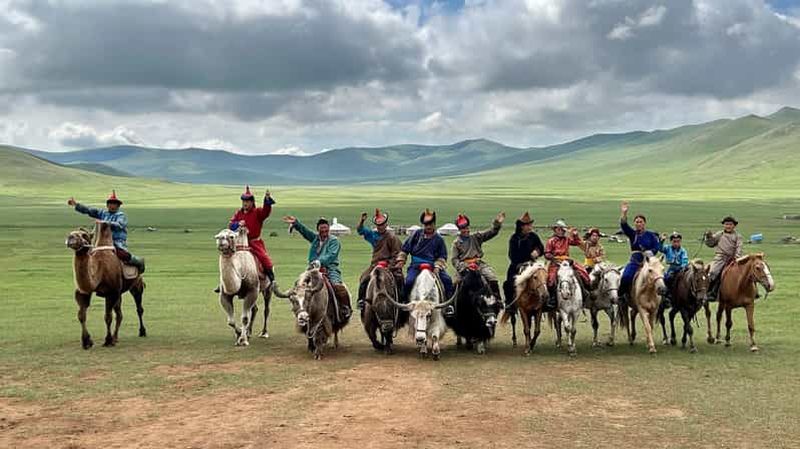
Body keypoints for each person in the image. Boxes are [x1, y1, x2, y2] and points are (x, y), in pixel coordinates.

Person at [282, 215, 351, 321]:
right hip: (313, 270)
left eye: (325, 228)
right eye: (321, 228)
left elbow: (331, 255)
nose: (324, 230)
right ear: (318, 230)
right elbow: (305, 232)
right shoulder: (316, 239)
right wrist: (296, 223)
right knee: (299, 283)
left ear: (328, 229)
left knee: (338, 286)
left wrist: (319, 261)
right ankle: (301, 308)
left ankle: (345, 308)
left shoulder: (334, 241)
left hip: (330, 269)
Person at [68, 190, 145, 272]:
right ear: (107, 205)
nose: (112, 206)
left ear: (118, 206)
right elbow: (89, 210)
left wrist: (106, 223)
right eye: (110, 204)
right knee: (89, 253)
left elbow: (120, 225)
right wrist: (76, 205)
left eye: (115, 204)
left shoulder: (120, 216)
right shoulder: (103, 213)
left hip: (116, 241)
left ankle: (138, 261)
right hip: (101, 241)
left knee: (122, 254)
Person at [396, 209, 455, 304]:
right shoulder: (416, 234)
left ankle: (449, 305)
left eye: (430, 224)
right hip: (416, 266)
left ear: (434, 224)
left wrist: (437, 266)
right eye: (426, 224)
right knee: (409, 282)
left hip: (433, 266)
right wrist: (401, 260)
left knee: (447, 280)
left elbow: (442, 256)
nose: (428, 226)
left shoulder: (439, 239)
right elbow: (405, 249)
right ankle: (405, 303)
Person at [450, 212, 505, 302]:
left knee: (492, 277)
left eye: (467, 228)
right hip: (464, 266)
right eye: (463, 229)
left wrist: (497, 224)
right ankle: (453, 305)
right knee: (455, 283)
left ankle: (497, 300)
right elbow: (454, 259)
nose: (466, 230)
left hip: (478, 264)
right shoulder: (456, 243)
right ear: (459, 230)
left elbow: (491, 233)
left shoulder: (476, 237)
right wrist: (464, 266)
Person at [355, 209, 403, 309]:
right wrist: (362, 220)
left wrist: (390, 266)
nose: (380, 227)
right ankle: (361, 300)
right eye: (378, 225)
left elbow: (397, 254)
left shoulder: (392, 237)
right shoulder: (373, 235)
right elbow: (360, 230)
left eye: (382, 224)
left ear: (386, 224)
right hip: (375, 264)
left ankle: (402, 300)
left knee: (399, 279)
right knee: (364, 278)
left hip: (389, 265)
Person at [228, 186, 276, 282]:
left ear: (252, 202)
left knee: (264, 258)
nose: (245, 203)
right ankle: (226, 282)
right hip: (239, 242)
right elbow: (231, 225)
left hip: (254, 243)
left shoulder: (257, 212)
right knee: (227, 257)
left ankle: (272, 280)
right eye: (243, 201)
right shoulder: (238, 213)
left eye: (247, 201)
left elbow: (265, 212)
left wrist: (267, 200)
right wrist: (238, 224)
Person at [618, 201, 661, 303]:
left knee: (661, 277)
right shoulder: (633, 234)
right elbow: (624, 225)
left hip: (649, 263)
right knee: (626, 277)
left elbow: (656, 247)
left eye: (641, 222)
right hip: (635, 262)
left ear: (644, 223)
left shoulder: (651, 235)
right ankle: (622, 297)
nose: (639, 224)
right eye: (637, 222)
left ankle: (664, 299)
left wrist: (650, 252)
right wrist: (624, 213)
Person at [544, 219, 591, 310]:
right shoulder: (551, 241)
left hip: (567, 261)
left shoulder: (567, 239)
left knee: (582, 272)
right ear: (555, 230)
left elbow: (577, 242)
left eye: (563, 230)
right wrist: (555, 259)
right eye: (559, 230)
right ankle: (552, 299)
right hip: (556, 263)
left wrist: (575, 235)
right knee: (551, 280)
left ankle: (585, 293)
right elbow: (547, 254)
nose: (561, 232)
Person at [504, 211, 545, 307]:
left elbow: (541, 247)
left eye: (530, 225)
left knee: (543, 279)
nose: (530, 227)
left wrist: (537, 251)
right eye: (528, 225)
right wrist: (527, 256)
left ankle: (545, 301)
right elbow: (512, 255)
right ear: (522, 226)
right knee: (508, 284)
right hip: (517, 264)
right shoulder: (514, 238)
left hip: (532, 264)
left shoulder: (533, 236)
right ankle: (510, 305)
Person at [704, 216, 743, 302]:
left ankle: (751, 293)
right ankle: (710, 292)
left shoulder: (738, 236)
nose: (728, 226)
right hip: (720, 258)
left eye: (730, 224)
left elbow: (739, 248)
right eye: (726, 224)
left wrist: (737, 257)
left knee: (746, 272)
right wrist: (708, 236)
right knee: (713, 272)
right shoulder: (719, 234)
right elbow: (711, 244)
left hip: (733, 259)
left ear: (734, 226)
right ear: (724, 225)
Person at [660, 232, 689, 308]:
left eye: (678, 241)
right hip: (671, 268)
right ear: (671, 242)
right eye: (674, 241)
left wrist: (682, 267)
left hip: (680, 269)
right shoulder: (667, 248)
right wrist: (661, 241)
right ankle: (666, 295)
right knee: (667, 278)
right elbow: (660, 248)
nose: (676, 243)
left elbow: (685, 260)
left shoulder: (683, 250)